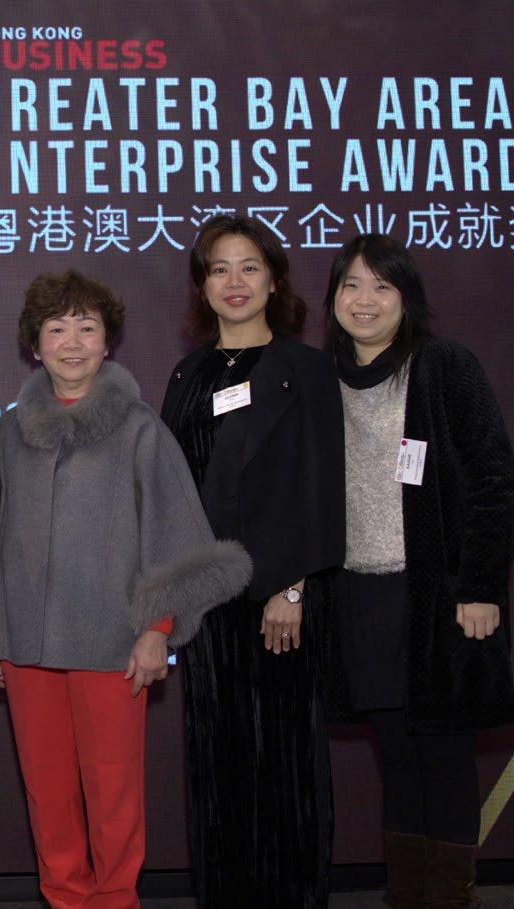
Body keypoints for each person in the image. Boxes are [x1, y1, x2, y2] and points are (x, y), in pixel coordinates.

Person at [0, 271, 251, 909]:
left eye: (86, 327)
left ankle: (116, 898)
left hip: (114, 640)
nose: (72, 342)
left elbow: (174, 533)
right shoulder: (11, 430)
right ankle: (65, 897)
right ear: (34, 345)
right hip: (24, 639)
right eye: (56, 328)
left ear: (108, 341)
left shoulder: (140, 429)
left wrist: (158, 630)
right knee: (46, 786)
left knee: (113, 786)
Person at [321, 234, 514, 909]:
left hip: (436, 597)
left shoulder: (442, 366)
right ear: (333, 297)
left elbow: (492, 478)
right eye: (351, 284)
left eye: (382, 286)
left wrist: (480, 586)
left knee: (443, 756)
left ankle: (448, 897)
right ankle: (406, 895)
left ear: (407, 297)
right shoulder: (320, 380)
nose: (365, 300)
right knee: (398, 758)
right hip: (359, 595)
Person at [158, 215, 344, 908]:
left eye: (248, 267)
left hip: (277, 602)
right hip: (208, 606)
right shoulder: (189, 374)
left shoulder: (305, 369)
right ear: (201, 285)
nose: (233, 282)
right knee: (219, 763)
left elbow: (320, 484)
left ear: (273, 280)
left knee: (284, 764)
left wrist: (291, 589)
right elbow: (170, 490)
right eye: (218, 269)